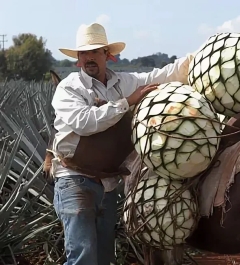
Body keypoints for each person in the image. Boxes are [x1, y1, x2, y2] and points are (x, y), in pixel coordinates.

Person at [50, 22, 195, 265]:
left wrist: (197, 58)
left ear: (109, 55)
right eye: (84, 53)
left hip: (108, 185)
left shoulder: (123, 82)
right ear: (77, 59)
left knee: (104, 257)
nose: (90, 58)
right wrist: (126, 103)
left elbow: (161, 76)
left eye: (96, 51)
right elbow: (83, 122)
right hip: (74, 181)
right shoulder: (70, 88)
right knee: (83, 258)